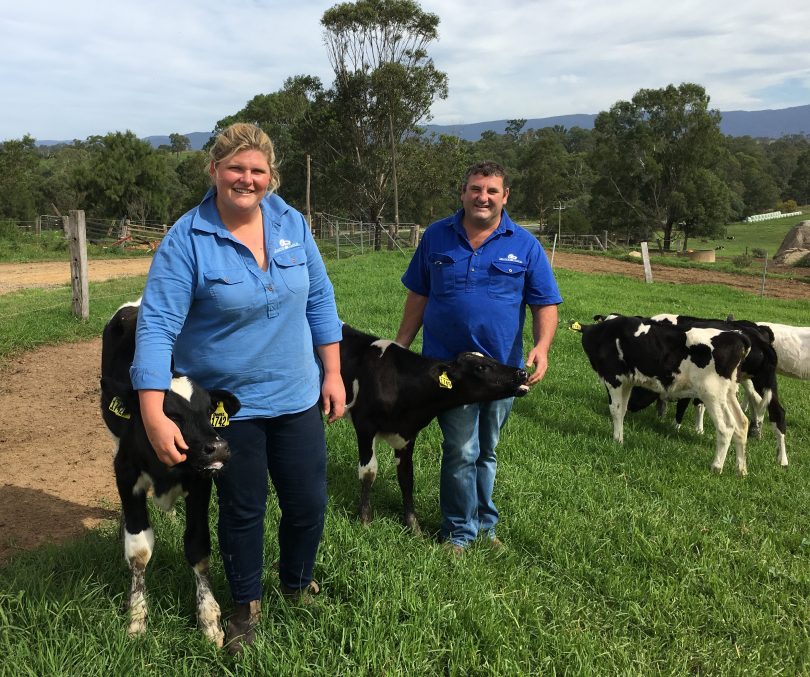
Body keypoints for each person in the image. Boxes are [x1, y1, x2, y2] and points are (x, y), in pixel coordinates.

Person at [130, 123, 345, 654]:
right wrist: (154, 414)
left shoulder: (291, 222)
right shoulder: (188, 239)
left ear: (270, 176)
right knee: (244, 506)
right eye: (236, 169)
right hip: (229, 406)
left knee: (308, 501)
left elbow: (319, 298)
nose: (246, 179)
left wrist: (334, 372)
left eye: (257, 170)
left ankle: (296, 585)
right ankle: (245, 607)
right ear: (215, 171)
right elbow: (156, 326)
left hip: (297, 394)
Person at [395, 160, 562, 554]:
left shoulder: (524, 245)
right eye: (475, 189)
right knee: (461, 449)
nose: (482, 197)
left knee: (486, 450)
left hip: (502, 371)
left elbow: (545, 302)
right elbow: (418, 295)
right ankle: (459, 531)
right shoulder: (437, 237)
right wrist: (400, 347)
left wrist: (542, 347)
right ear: (463, 193)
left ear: (504, 196)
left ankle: (485, 526)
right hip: (448, 370)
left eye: (491, 191)